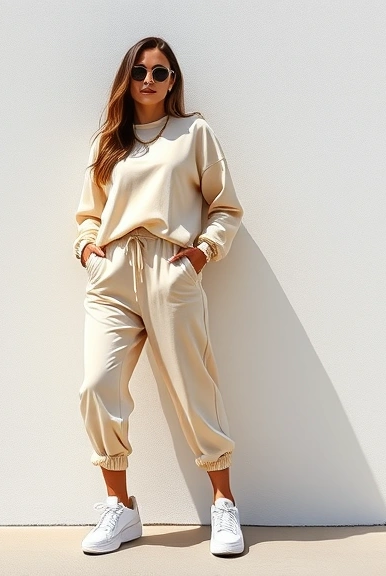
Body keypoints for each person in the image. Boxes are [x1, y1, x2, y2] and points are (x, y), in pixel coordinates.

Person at [73, 36, 245, 557]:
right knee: (97, 385)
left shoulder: (193, 133)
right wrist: (88, 251)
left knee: (193, 386)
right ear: (127, 78)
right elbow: (88, 214)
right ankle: (120, 508)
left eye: (160, 72)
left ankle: (224, 503)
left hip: (170, 268)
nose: (149, 80)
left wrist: (201, 254)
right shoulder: (108, 141)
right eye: (140, 71)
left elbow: (226, 207)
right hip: (113, 274)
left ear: (173, 81)